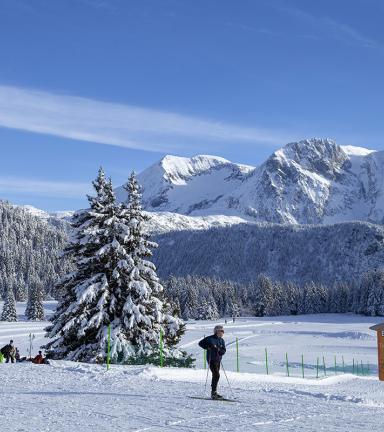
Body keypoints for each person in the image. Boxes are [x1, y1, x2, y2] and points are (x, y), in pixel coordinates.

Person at [198, 325, 226, 399]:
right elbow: (200, 343)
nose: (223, 332)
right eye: (222, 331)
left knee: (216, 376)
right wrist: (208, 346)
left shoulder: (222, 340)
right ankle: (213, 393)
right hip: (211, 359)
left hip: (218, 360)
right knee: (217, 375)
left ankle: (214, 393)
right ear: (217, 331)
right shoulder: (210, 338)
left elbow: (224, 351)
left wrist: (219, 350)